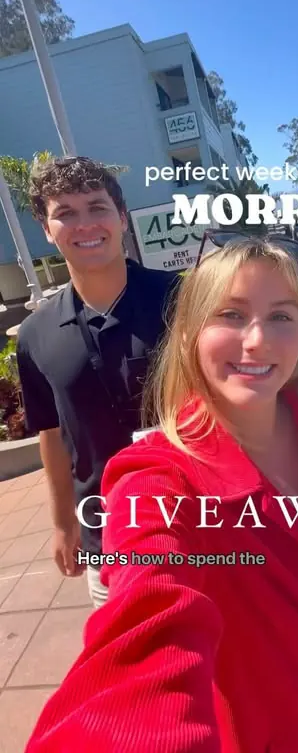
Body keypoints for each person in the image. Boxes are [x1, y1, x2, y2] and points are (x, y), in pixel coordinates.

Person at [25, 232, 298, 752]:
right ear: (189, 333)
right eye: (232, 315)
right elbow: (147, 631)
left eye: (282, 315)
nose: (259, 339)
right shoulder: (155, 483)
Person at [15, 156, 178, 608]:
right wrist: (63, 524)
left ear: (121, 217)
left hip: (200, 522)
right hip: (105, 541)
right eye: (65, 213)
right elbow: (51, 434)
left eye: (97, 207)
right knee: (127, 651)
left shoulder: (182, 299)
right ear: (47, 231)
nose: (85, 224)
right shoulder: (35, 334)